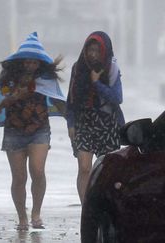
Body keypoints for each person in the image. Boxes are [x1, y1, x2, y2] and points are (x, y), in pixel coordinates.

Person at [0, 32, 65, 230]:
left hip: (39, 130)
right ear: (21, 61)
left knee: (38, 171)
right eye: (28, 62)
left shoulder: (46, 79)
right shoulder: (9, 80)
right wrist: (16, 96)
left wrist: (72, 120)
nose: (31, 65)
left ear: (40, 63)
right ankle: (22, 217)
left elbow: (58, 100)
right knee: (19, 177)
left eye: (35, 62)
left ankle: (36, 213)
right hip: (14, 131)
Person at [66, 31, 124, 204]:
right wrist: (71, 123)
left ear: (104, 51)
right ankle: (86, 209)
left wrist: (97, 83)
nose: (93, 54)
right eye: (90, 50)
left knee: (107, 171)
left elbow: (117, 98)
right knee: (84, 167)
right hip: (84, 122)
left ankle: (104, 206)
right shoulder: (78, 68)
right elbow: (71, 99)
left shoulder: (112, 68)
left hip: (107, 124)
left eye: (97, 50)